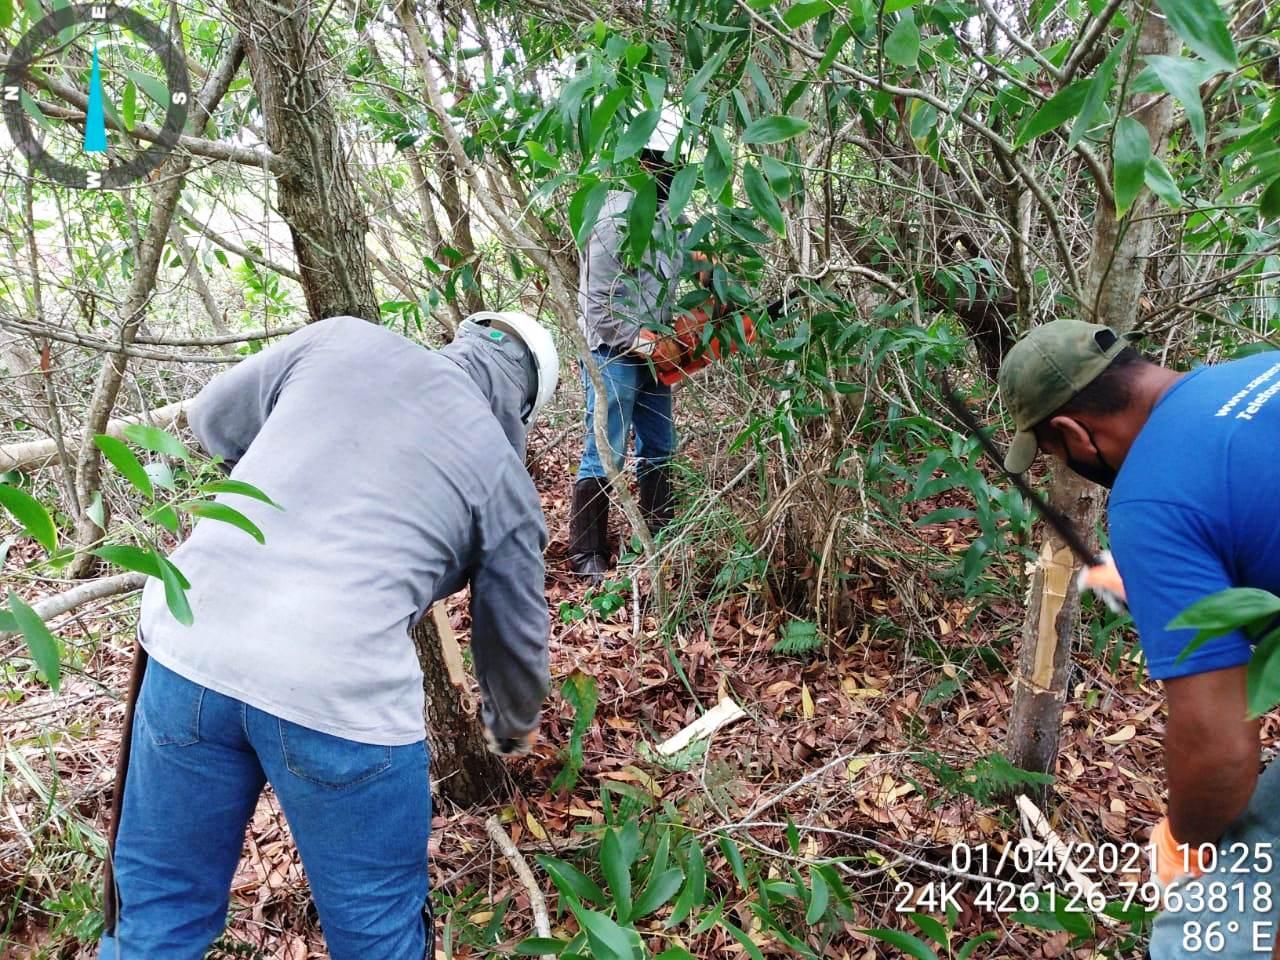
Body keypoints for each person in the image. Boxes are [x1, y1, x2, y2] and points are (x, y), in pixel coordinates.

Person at [99, 312, 558, 960]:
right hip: (338, 691)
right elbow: (514, 639)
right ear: (523, 406)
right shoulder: (503, 479)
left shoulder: (339, 339)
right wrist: (509, 728)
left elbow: (211, 421)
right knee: (377, 937)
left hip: (190, 638)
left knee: (157, 918)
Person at [998, 319, 1280, 960]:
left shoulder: (1151, 501)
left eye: (1053, 452)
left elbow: (1222, 750)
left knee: (1197, 939)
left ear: (1073, 434)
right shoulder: (1259, 368)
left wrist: (1183, 839)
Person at [568, 117, 692, 582]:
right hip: (611, 352)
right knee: (607, 447)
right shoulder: (611, 217)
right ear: (644, 162)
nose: (672, 171)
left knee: (660, 444)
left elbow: (684, 282)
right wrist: (635, 341)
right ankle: (588, 554)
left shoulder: (675, 220)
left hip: (658, 353)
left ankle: (662, 533)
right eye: (665, 163)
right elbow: (595, 303)